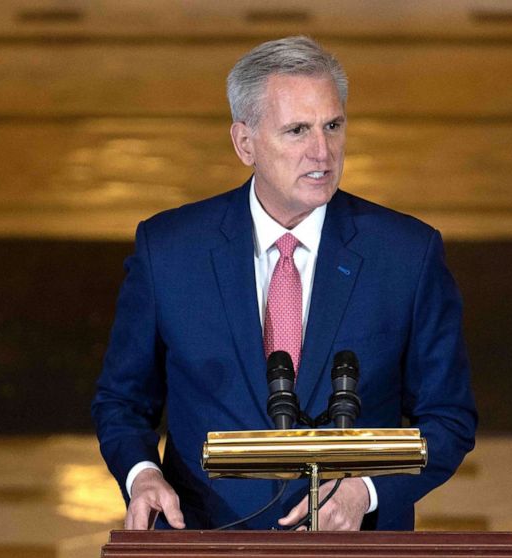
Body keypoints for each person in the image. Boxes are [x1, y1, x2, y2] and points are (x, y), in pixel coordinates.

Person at [92, 35, 477, 531]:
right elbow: (122, 402)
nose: (322, 151)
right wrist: (142, 475)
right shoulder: (167, 250)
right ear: (245, 142)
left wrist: (367, 491)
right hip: (206, 539)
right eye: (297, 130)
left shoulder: (407, 254)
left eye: (333, 126)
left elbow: (448, 418)